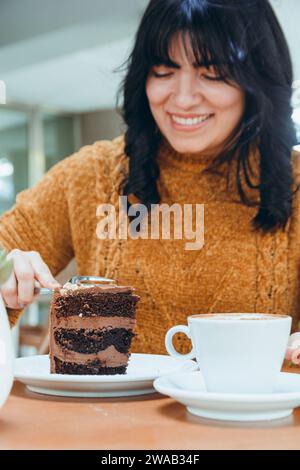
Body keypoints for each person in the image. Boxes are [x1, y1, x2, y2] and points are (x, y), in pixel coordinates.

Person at [0, 0, 299, 355]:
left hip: (251, 411)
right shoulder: (91, 174)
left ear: (258, 77)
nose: (184, 98)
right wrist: (6, 272)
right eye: (163, 71)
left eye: (213, 72)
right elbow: (6, 252)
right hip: (89, 409)